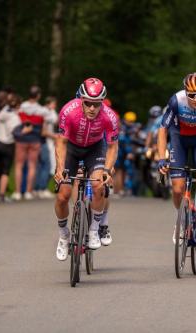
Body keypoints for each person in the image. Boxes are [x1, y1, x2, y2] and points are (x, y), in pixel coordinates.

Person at [54, 78, 119, 261]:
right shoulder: (68, 111)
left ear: (102, 103)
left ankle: (93, 230)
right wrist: (60, 168)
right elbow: (61, 142)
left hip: (95, 149)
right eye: (88, 103)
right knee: (63, 195)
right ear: (81, 99)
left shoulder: (110, 116)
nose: (92, 108)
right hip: (71, 149)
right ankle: (63, 235)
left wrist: (108, 169)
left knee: (99, 186)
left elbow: (113, 146)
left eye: (96, 104)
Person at [157, 73, 196, 250]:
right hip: (178, 138)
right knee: (177, 188)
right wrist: (162, 158)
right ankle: (180, 222)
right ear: (185, 92)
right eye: (191, 94)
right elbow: (162, 130)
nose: (195, 99)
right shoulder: (176, 101)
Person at [12, 86, 46, 201]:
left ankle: (17, 192)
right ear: (38, 96)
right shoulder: (42, 110)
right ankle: (28, 192)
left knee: (19, 166)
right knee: (32, 166)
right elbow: (45, 125)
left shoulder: (21, 108)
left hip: (21, 139)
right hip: (35, 140)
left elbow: (16, 120)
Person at [0, 93, 22, 202]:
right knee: (5, 171)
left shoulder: (2, 112)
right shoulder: (15, 118)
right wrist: (26, 130)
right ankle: (1, 195)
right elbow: (16, 133)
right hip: (7, 144)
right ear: (17, 106)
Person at [34, 96, 58, 199]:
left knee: (46, 166)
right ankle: (41, 188)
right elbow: (43, 132)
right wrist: (55, 136)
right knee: (48, 166)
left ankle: (39, 188)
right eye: (53, 104)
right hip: (45, 142)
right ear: (49, 103)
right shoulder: (45, 113)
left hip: (49, 142)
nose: (55, 106)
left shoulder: (51, 112)